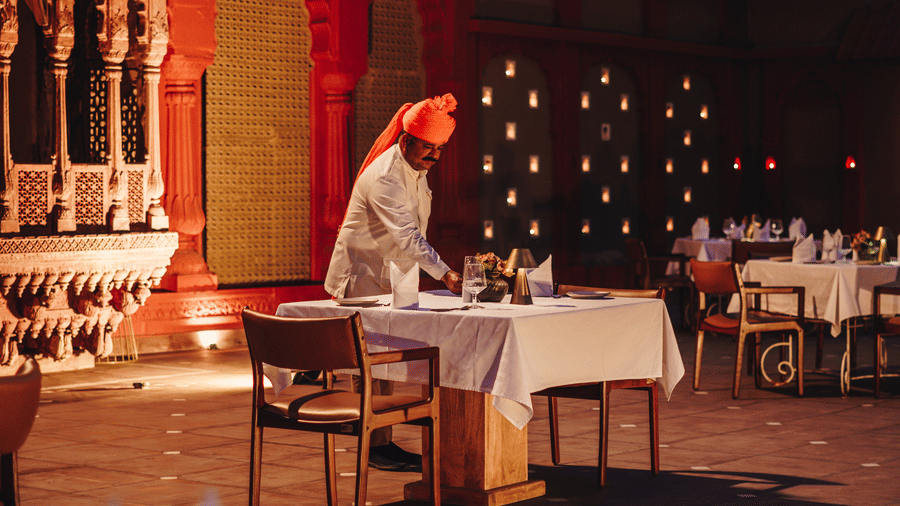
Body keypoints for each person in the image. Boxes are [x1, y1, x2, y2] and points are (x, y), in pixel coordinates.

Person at [324, 93, 463, 471]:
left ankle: (382, 441)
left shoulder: (414, 171)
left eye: (438, 149)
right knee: (370, 365)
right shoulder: (386, 177)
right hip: (364, 276)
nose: (433, 156)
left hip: (392, 277)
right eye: (427, 147)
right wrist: (445, 272)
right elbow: (406, 234)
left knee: (382, 365)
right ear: (406, 142)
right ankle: (375, 446)